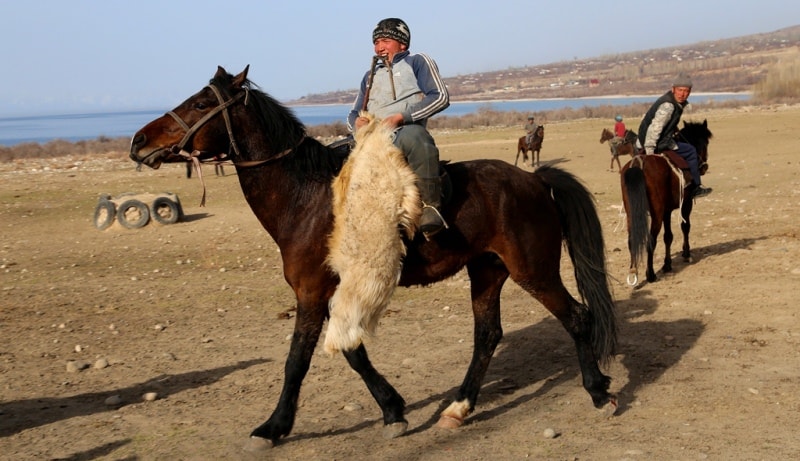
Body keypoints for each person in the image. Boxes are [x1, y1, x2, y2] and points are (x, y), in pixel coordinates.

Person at [348, 18, 450, 236]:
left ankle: (430, 207)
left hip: (402, 132)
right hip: (371, 137)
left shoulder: (417, 62)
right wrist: (357, 123)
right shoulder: (369, 76)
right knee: (334, 152)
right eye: (376, 42)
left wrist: (400, 117)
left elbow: (440, 97)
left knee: (417, 137)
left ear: (402, 43)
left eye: (385, 41)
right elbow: (353, 112)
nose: (378, 47)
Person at [637, 73, 712, 198]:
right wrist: (650, 150)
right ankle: (696, 187)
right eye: (680, 90)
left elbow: (661, 122)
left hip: (644, 140)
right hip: (655, 142)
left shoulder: (670, 101)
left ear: (690, 92)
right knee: (691, 151)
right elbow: (655, 127)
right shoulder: (669, 106)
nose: (682, 94)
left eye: (686, 91)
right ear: (673, 89)